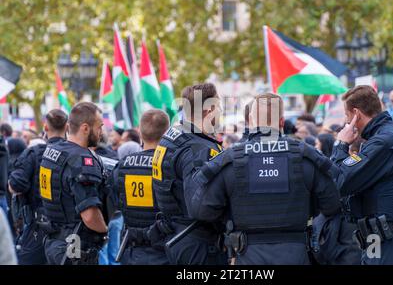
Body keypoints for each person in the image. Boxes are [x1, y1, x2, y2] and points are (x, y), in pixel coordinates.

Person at [187, 93, 341, 265]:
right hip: (296, 254)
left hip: (247, 256)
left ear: (251, 121)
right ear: (282, 122)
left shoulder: (232, 159)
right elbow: (332, 204)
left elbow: (202, 211)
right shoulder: (305, 156)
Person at [330, 85, 393, 265]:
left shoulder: (383, 142)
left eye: (347, 117)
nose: (346, 122)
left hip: (388, 237)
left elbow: (339, 180)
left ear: (356, 114)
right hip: (385, 235)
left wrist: (340, 145)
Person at [152, 83, 226, 265]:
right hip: (197, 242)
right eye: (220, 107)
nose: (221, 112)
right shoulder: (199, 148)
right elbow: (201, 206)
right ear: (209, 110)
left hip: (174, 234)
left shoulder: (172, 136)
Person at [40, 102, 109, 265]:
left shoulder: (54, 151)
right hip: (75, 248)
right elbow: (90, 215)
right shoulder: (82, 162)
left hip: (53, 241)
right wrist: (107, 231)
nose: (101, 133)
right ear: (85, 128)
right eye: (99, 127)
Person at [8, 109, 68, 264]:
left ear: (46, 128)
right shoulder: (77, 154)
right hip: (72, 229)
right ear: (67, 127)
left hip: (39, 226)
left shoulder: (34, 153)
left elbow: (15, 185)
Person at [113, 109, 170, 265]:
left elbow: (113, 202)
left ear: (140, 132)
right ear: (166, 133)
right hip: (164, 250)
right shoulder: (169, 166)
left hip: (131, 250)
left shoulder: (123, 165)